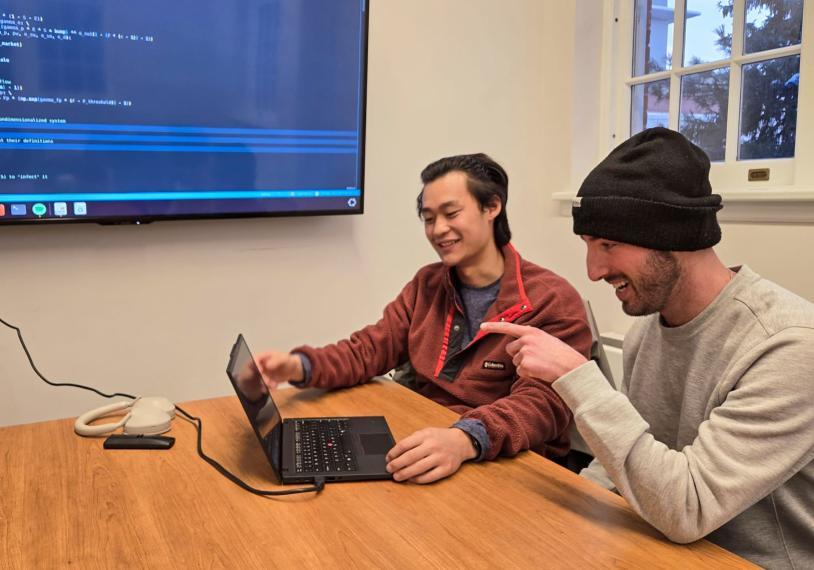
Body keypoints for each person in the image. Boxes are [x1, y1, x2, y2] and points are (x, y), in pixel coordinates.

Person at [481, 128, 814, 569]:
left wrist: (577, 378)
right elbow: (627, 458)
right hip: (657, 546)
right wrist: (554, 532)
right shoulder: (647, 331)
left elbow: (688, 507)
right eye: (588, 246)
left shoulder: (788, 346)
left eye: (609, 245)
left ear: (674, 238)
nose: (594, 270)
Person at [255, 153, 592, 484]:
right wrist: (297, 366)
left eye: (451, 213)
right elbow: (369, 349)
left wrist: (464, 439)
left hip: (507, 463)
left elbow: (541, 406)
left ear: (492, 207)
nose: (438, 230)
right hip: (429, 440)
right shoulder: (428, 284)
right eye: (429, 218)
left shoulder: (552, 300)